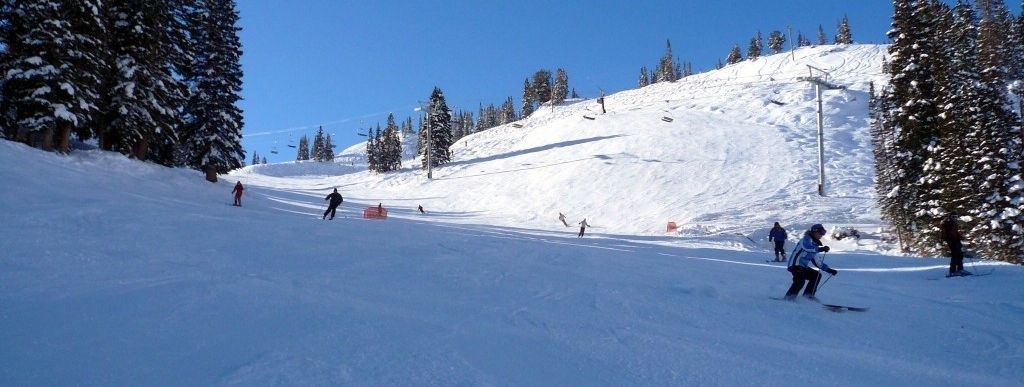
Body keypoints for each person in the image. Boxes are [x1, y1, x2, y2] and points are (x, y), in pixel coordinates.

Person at [784, 224, 838, 300]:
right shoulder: (806, 239)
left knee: (816, 275)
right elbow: (807, 247)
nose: (821, 235)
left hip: (803, 267)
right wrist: (820, 249)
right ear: (814, 231)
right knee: (800, 281)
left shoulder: (815, 245)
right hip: (795, 265)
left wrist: (828, 269)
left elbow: (817, 261)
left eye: (823, 233)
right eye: (821, 232)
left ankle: (808, 296)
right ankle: (789, 298)